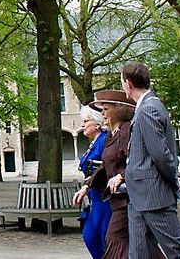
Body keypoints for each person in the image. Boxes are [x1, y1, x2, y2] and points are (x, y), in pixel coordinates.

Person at [121, 63, 180, 259]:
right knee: (139, 255)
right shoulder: (147, 107)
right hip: (139, 196)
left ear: (128, 84)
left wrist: (174, 180)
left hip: (154, 196)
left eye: (122, 82)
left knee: (179, 253)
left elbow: (160, 154)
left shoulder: (149, 109)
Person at [75, 90, 134, 258]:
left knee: (112, 240)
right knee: (106, 239)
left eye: (106, 109)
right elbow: (105, 166)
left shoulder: (126, 131)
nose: (102, 114)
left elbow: (136, 161)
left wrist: (120, 176)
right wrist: (86, 187)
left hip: (120, 198)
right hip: (108, 197)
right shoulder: (110, 136)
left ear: (119, 110)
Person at [72, 105, 111, 259]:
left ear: (97, 123)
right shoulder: (95, 142)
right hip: (95, 197)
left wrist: (86, 187)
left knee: (100, 236)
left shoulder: (103, 140)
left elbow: (106, 166)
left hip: (103, 197)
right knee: (90, 235)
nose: (82, 125)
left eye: (86, 121)